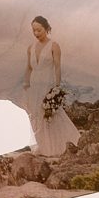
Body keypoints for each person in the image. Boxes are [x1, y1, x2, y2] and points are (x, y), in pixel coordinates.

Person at [25, 15, 80, 156]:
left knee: (50, 113)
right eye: (34, 30)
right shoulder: (31, 47)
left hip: (47, 83)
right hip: (34, 86)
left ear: (46, 28)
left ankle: (60, 145)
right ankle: (43, 145)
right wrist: (26, 83)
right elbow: (29, 68)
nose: (36, 33)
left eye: (39, 30)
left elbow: (57, 67)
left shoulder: (54, 46)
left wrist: (57, 86)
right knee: (35, 115)